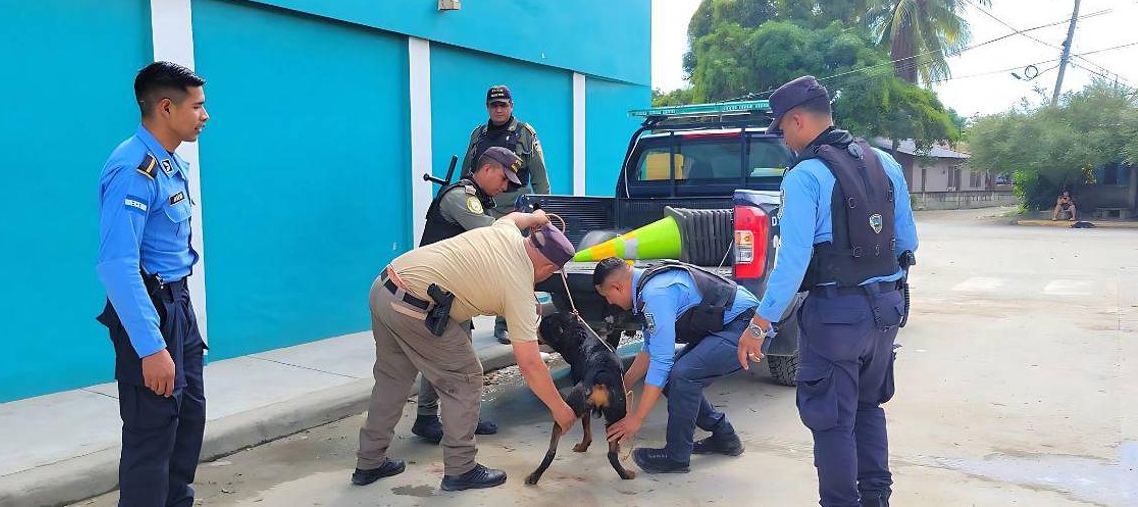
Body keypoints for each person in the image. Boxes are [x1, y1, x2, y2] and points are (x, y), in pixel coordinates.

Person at [737, 75, 918, 507]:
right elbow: (907, 243)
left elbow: (793, 263)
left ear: (798, 120)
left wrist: (759, 326)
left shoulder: (806, 176)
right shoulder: (886, 164)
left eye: (781, 128)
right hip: (886, 311)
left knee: (832, 420)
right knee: (868, 408)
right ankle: (876, 499)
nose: (782, 137)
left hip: (837, 317)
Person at [353, 213, 579, 491]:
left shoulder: (506, 232)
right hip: (413, 306)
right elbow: (530, 364)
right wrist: (560, 409)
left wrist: (535, 217)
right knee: (465, 378)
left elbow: (514, 217)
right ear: (547, 266)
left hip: (385, 286)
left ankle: (369, 462)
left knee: (392, 380)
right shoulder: (518, 284)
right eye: (552, 271)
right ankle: (461, 469)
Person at [96, 61, 210, 507]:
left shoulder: (168, 163)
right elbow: (117, 265)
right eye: (198, 106)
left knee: (189, 417)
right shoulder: (133, 171)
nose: (206, 114)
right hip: (151, 309)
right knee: (152, 432)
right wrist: (151, 347)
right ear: (166, 107)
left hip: (175, 303)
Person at [593, 257, 759, 473]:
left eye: (608, 295)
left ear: (618, 286)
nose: (610, 302)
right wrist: (622, 386)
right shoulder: (644, 289)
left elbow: (662, 361)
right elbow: (650, 350)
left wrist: (636, 420)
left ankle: (676, 456)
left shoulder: (656, 294)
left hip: (746, 327)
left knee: (683, 375)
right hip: (724, 325)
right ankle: (724, 437)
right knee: (675, 376)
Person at [411, 146, 526, 443]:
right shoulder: (460, 197)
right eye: (503, 179)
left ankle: (452, 417)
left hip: (454, 291)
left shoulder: (480, 200)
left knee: (455, 356)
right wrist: (523, 223)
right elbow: (491, 234)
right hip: (437, 291)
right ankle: (431, 418)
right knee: (448, 358)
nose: (504, 188)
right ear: (486, 170)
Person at [460, 85, 551, 344]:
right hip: (483, 210)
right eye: (493, 105)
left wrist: (539, 211)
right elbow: (467, 171)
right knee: (479, 263)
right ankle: (466, 319)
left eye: (503, 105)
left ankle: (506, 323)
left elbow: (540, 177)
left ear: (512, 106)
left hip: (516, 209)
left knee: (515, 266)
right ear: (487, 107)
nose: (499, 109)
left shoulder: (525, 134)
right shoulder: (479, 134)